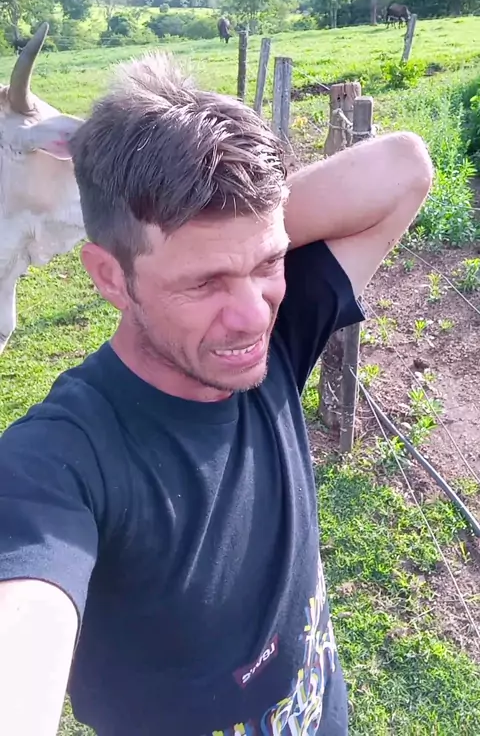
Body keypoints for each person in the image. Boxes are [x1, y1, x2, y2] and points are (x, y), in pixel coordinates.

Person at [0, 53, 433, 736]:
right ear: (110, 278)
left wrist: (234, 234)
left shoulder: (274, 343)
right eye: (203, 283)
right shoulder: (59, 460)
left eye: (270, 262)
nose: (254, 315)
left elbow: (403, 167)